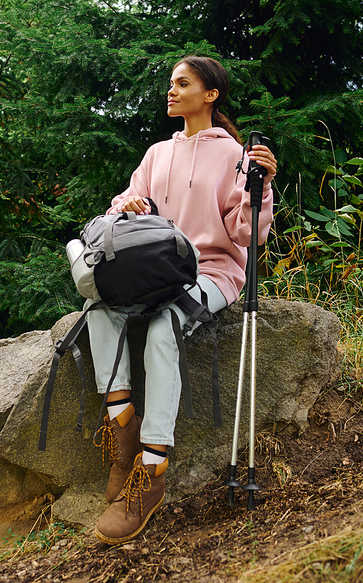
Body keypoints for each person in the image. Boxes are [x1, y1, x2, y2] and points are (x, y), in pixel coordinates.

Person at [84, 55, 277, 545]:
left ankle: (152, 472)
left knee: (164, 325)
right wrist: (129, 206)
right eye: (170, 83)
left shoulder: (235, 154)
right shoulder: (156, 153)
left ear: (210, 94)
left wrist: (261, 186)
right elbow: (130, 204)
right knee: (98, 308)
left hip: (212, 271)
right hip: (159, 269)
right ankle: (123, 421)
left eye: (182, 83)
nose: (171, 91)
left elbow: (247, 234)